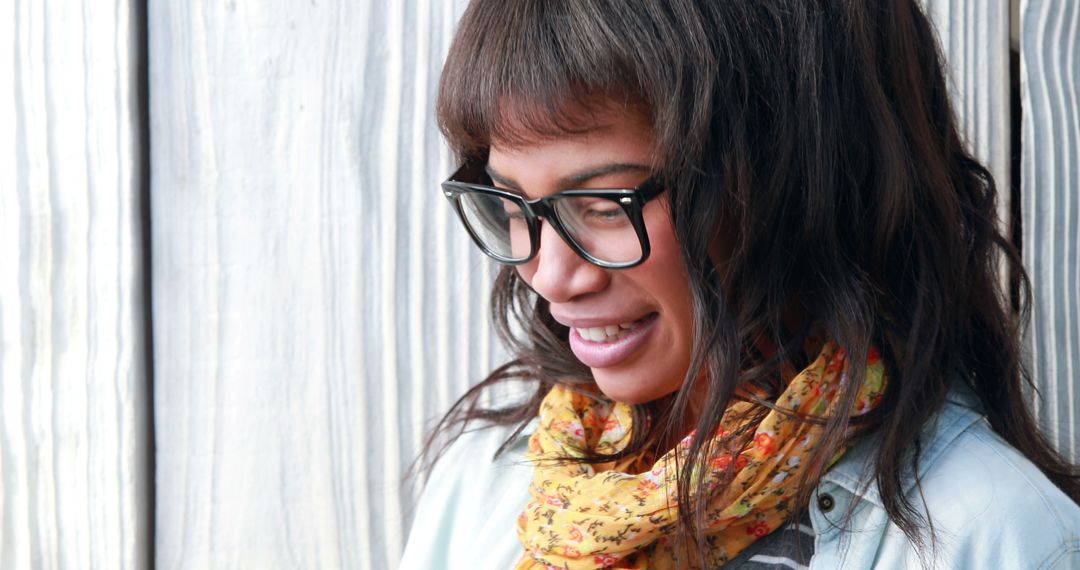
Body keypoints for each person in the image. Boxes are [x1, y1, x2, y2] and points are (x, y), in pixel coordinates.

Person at [401, 0, 1080, 568]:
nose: (550, 275)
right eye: (509, 202)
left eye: (606, 203)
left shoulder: (991, 537)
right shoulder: (487, 485)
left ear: (792, 180)